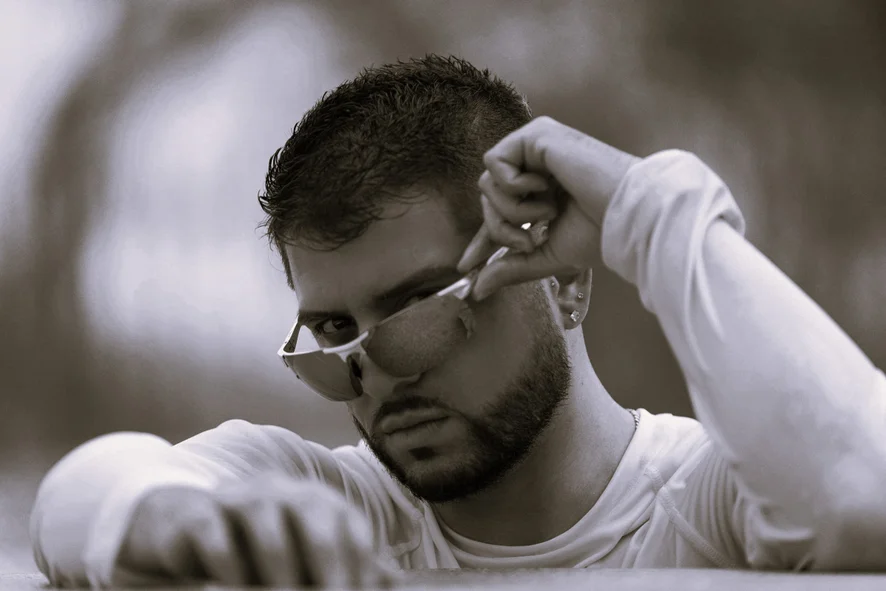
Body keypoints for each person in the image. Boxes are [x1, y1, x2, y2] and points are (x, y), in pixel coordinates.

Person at [30, 55, 886, 589]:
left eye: (417, 308)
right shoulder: (335, 518)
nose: (378, 374)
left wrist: (651, 210)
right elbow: (80, 497)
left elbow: (864, 494)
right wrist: (185, 523)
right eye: (333, 337)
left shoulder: (713, 501)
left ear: (564, 285)